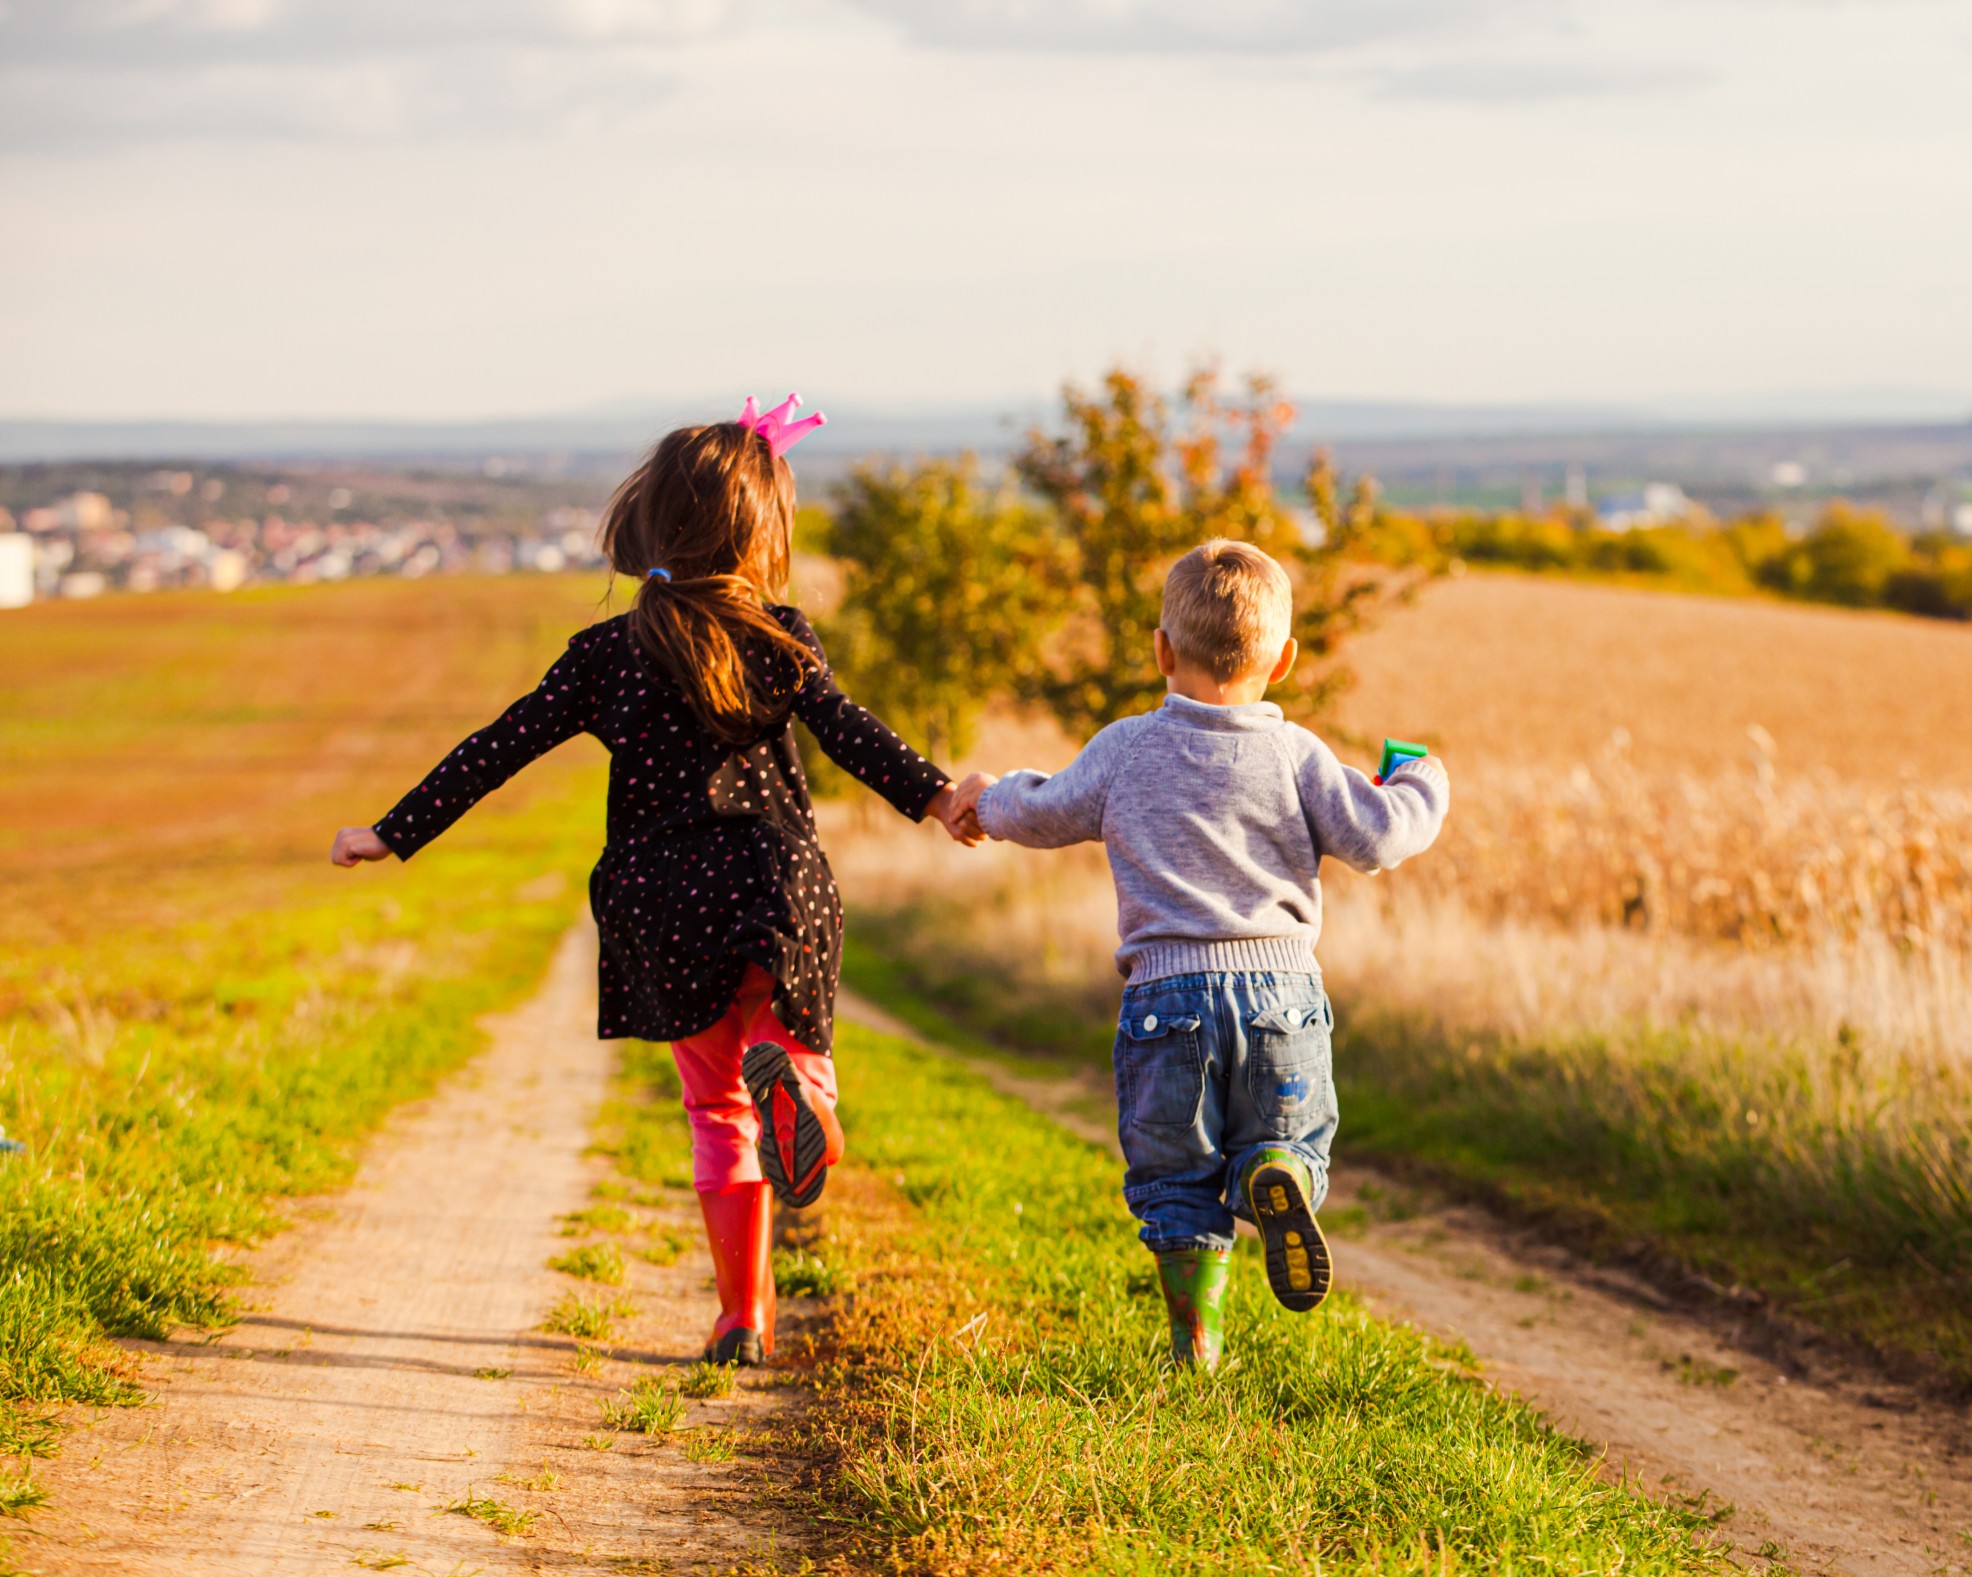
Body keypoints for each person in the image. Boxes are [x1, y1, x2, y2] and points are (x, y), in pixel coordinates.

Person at [331, 396, 982, 1367]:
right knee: (781, 1027)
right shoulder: (781, 638)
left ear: (647, 522)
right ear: (763, 534)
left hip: (655, 902)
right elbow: (853, 736)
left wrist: (394, 830)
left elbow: (496, 747)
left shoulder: (605, 655)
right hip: (769, 884)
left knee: (715, 1110)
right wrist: (937, 797)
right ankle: (801, 1087)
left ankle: (739, 1317)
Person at [954, 540, 1449, 1370]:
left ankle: (1197, 1344)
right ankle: (1278, 1167)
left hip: (1165, 999)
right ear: (1285, 661)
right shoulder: (1298, 757)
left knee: (1176, 1184)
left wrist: (986, 800)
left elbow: (1044, 811)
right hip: (1282, 996)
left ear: (1160, 650)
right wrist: (1423, 781)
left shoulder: (1126, 747)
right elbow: (1379, 838)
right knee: (1290, 1142)